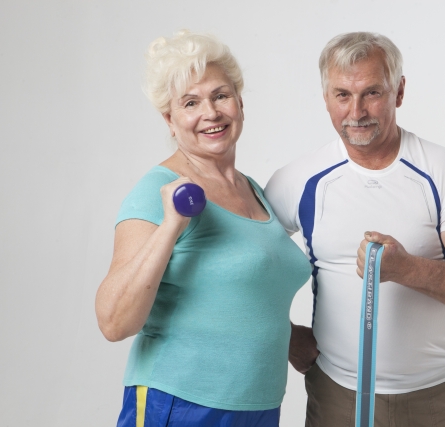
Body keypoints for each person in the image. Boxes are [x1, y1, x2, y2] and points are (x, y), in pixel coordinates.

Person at [264, 32, 445, 427]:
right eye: (342, 95)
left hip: (442, 398)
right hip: (338, 398)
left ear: (399, 92)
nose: (357, 111)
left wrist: (406, 269)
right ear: (326, 97)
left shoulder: (443, 171)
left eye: (372, 93)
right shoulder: (298, 180)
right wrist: (286, 336)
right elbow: (242, 272)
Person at [95, 30, 311, 427]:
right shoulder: (157, 191)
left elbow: (235, 297)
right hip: (181, 403)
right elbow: (113, 322)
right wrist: (171, 226)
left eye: (220, 95)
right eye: (191, 103)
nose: (210, 113)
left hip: (258, 406)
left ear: (240, 103)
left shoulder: (254, 190)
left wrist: (290, 338)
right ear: (170, 119)